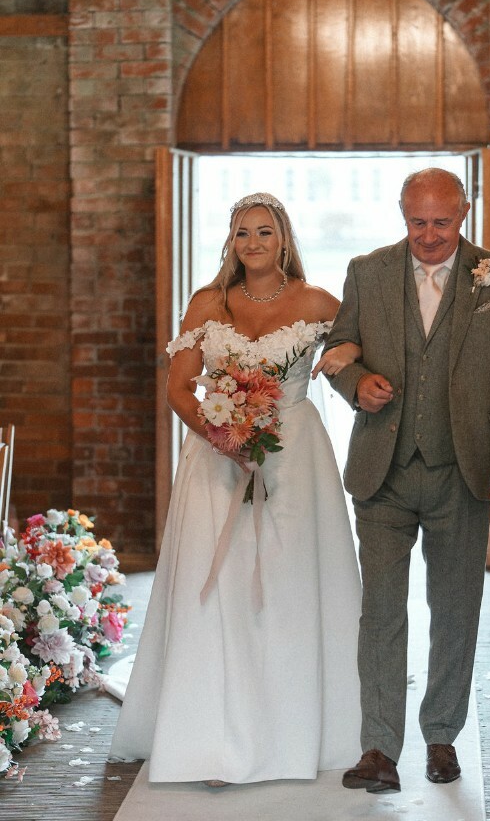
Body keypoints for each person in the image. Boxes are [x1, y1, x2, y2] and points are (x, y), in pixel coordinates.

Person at [110, 192, 362, 785]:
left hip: (296, 459)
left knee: (287, 584)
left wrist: (348, 347)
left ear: (284, 239)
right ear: (231, 241)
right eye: (242, 232)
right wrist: (221, 435)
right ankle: (211, 737)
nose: (253, 243)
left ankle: (293, 729)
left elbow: (362, 344)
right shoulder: (207, 303)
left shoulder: (317, 301)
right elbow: (179, 389)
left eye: (264, 231)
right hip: (216, 460)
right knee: (216, 584)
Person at [319, 167, 490, 794]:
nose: (428, 235)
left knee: (454, 609)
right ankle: (378, 748)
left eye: (441, 222)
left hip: (464, 471)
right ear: (402, 214)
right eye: (416, 221)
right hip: (383, 470)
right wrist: (355, 383)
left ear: (463, 213)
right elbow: (338, 349)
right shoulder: (367, 271)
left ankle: (442, 735)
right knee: (380, 612)